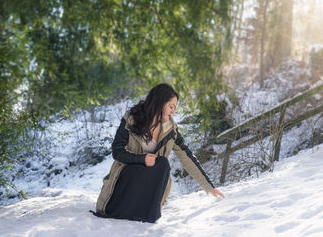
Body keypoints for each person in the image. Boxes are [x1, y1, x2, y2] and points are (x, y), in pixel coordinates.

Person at [92, 83, 224, 223]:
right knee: (155, 163)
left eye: (175, 107)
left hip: (148, 188)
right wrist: (141, 159)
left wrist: (209, 187)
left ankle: (149, 215)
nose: (173, 111)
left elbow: (187, 157)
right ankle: (119, 209)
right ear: (160, 102)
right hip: (126, 181)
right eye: (171, 106)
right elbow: (117, 152)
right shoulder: (131, 119)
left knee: (162, 163)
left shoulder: (170, 129)